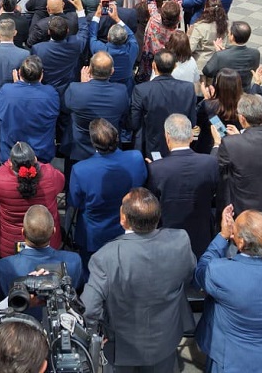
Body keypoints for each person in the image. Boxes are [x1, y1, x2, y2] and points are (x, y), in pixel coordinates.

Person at [82, 188, 195, 373]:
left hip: (122, 347)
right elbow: (188, 274)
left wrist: (95, 334)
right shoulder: (180, 240)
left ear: (123, 219)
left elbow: (89, 309)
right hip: (165, 340)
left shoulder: (105, 257)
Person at [193, 206, 262, 373]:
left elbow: (201, 272)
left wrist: (223, 236)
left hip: (230, 356)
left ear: (242, 242)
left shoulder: (221, 272)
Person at [68, 119, 147, 256]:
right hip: (127, 230)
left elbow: (75, 202)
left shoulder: (80, 169)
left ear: (93, 143)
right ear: (117, 137)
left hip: (94, 235)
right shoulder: (136, 158)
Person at [146, 114, 218, 258]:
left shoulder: (156, 169)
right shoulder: (210, 163)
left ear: (167, 137)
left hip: (169, 241)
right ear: (191, 136)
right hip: (203, 236)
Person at [215, 93, 262, 216]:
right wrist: (240, 137)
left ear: (241, 118)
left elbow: (215, 166)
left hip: (242, 208)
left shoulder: (231, 144)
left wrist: (216, 144)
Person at [0, 142, 65, 258]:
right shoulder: (49, 174)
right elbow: (61, 181)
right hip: (46, 242)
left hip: (10, 245)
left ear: (11, 164)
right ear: (34, 159)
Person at [0, 205, 83, 297]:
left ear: (23, 232)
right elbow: (77, 295)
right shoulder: (74, 261)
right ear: (53, 231)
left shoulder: (2, 267)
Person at [63, 52, 129, 162]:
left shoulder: (75, 89)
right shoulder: (121, 92)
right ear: (112, 71)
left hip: (80, 150)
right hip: (109, 149)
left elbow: (66, 108)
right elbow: (125, 112)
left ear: (89, 70)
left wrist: (83, 86)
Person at [131, 50, 197, 159]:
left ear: (153, 65)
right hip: (179, 147)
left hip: (153, 147)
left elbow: (134, 123)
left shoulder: (142, 90)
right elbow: (192, 121)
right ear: (175, 66)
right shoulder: (188, 88)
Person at [0, 55, 59, 163]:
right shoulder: (51, 94)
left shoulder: (6, 91)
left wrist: (15, 88)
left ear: (19, 73)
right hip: (41, 154)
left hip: (11, 154)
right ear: (41, 75)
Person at [89, 7, 138, 96]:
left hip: (104, 88)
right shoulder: (133, 49)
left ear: (108, 38)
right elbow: (131, 35)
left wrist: (97, 15)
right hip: (126, 90)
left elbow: (92, 35)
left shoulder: (100, 50)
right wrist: (117, 19)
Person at [202, 20, 260, 91]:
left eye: (229, 33)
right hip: (244, 91)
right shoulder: (255, 53)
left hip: (224, 93)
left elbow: (207, 71)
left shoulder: (221, 55)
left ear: (232, 36)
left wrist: (220, 54)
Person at [188, 0, 228, 71]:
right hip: (216, 65)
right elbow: (225, 46)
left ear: (205, 9)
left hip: (200, 65)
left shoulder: (199, 27)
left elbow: (190, 48)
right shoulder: (224, 26)